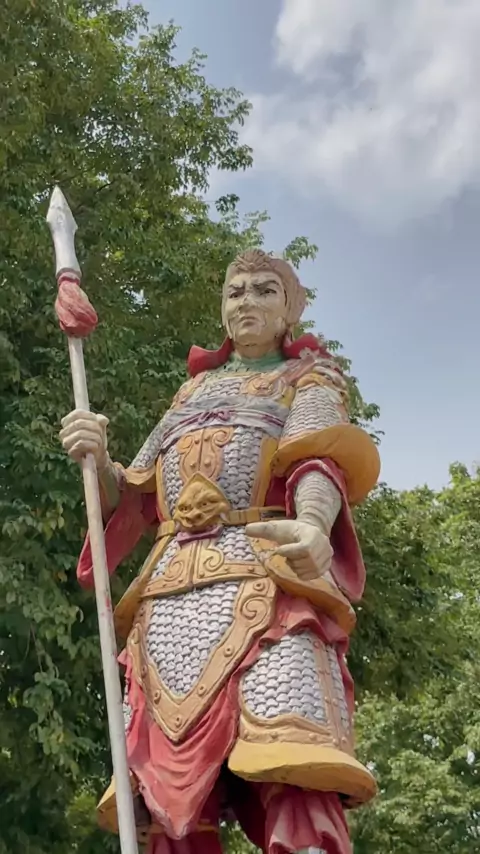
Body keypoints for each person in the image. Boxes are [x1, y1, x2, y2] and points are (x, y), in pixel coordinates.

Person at [59, 249, 380, 854]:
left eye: (263, 290)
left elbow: (318, 459)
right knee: (163, 807)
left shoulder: (307, 380)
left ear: (289, 309)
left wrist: (314, 523)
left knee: (296, 763)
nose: (247, 301)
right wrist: (97, 460)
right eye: (236, 292)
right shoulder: (191, 392)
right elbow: (136, 497)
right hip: (169, 597)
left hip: (269, 582)